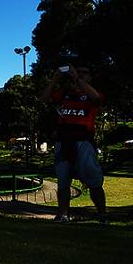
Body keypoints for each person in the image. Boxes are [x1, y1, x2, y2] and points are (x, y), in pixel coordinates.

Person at [40, 65, 108, 223]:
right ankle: (63, 214)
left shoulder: (91, 94)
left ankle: (102, 215)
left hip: (83, 140)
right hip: (63, 141)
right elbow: (43, 99)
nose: (79, 75)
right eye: (78, 72)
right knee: (63, 179)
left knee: (93, 178)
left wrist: (77, 78)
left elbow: (97, 98)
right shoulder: (64, 94)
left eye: (84, 72)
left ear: (89, 77)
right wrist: (54, 79)